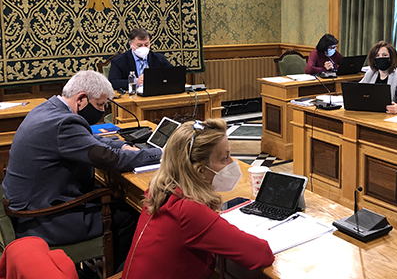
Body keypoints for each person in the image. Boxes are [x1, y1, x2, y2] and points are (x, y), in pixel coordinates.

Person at [2, 70, 162, 269]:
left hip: (28, 207)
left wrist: (122, 145)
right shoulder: (64, 123)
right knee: (131, 212)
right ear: (81, 99)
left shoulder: (49, 108)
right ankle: (121, 272)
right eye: (100, 105)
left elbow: (89, 138)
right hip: (42, 219)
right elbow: (110, 159)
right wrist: (160, 153)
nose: (102, 111)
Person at [122, 119, 274, 279]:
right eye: (225, 158)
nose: (232, 162)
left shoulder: (159, 190)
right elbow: (261, 254)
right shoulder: (188, 210)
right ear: (200, 171)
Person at [108, 28, 172, 91]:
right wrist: (135, 81)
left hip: (155, 93)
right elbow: (113, 82)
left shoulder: (159, 58)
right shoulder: (119, 61)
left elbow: (172, 75)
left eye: (146, 45)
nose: (143, 48)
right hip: (131, 95)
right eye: (139, 45)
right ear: (131, 44)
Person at [359, 41, 397, 114]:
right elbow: (358, 90)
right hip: (370, 113)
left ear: (391, 58)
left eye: (384, 55)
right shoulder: (371, 73)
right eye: (377, 55)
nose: (380, 58)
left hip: (388, 115)